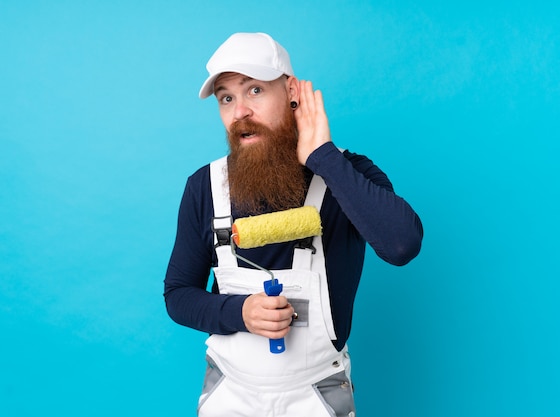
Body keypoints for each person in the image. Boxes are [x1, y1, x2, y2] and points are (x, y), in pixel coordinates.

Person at [164, 32, 423, 417]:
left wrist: (323, 158)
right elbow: (178, 295)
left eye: (254, 90)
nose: (240, 113)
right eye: (227, 97)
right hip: (229, 393)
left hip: (316, 395)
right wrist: (241, 313)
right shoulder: (206, 187)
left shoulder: (347, 175)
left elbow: (402, 246)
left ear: (291, 91)